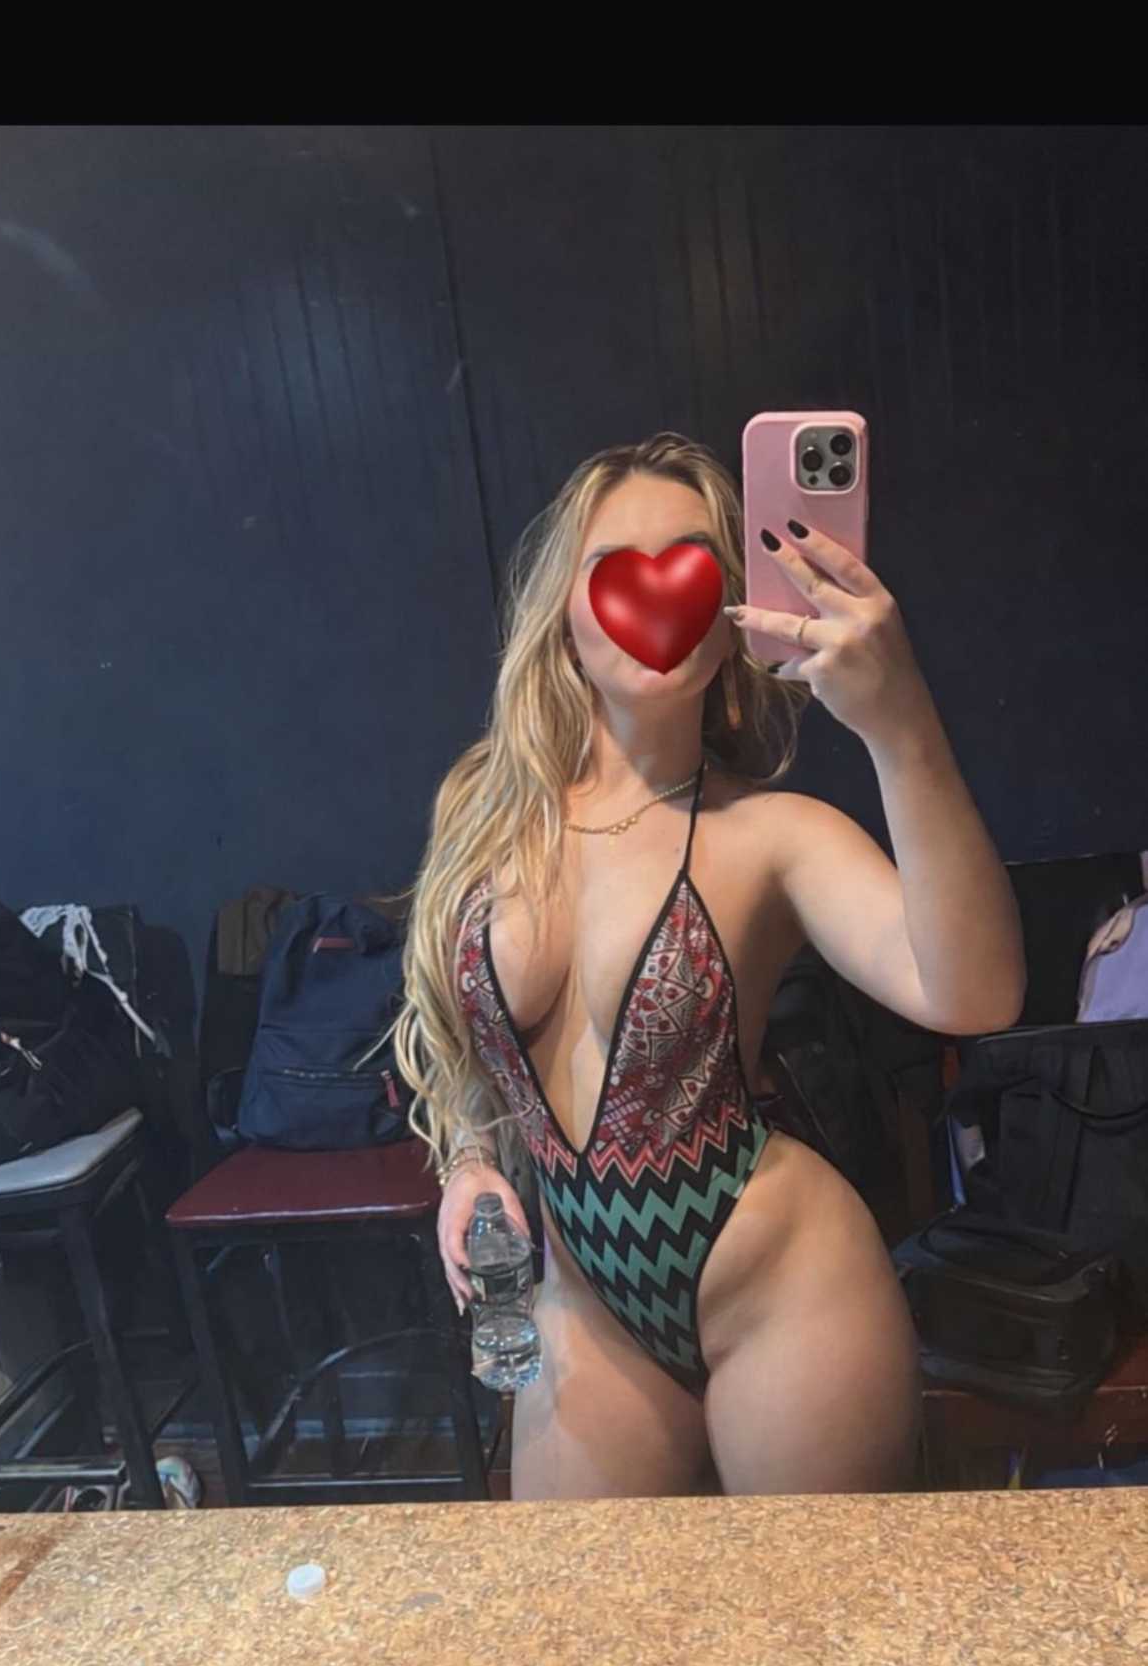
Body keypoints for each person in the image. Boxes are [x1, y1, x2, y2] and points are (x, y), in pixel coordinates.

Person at [385, 433, 1027, 1500]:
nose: (656, 590)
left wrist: (899, 722)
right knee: (588, 1602)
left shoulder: (773, 835)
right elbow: (464, 1045)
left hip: (782, 1285)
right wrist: (467, 1160)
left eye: (692, 561)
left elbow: (974, 993)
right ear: (562, 614)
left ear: (736, 614)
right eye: (613, 565)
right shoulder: (484, 814)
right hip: (586, 1299)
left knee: (807, 1603)